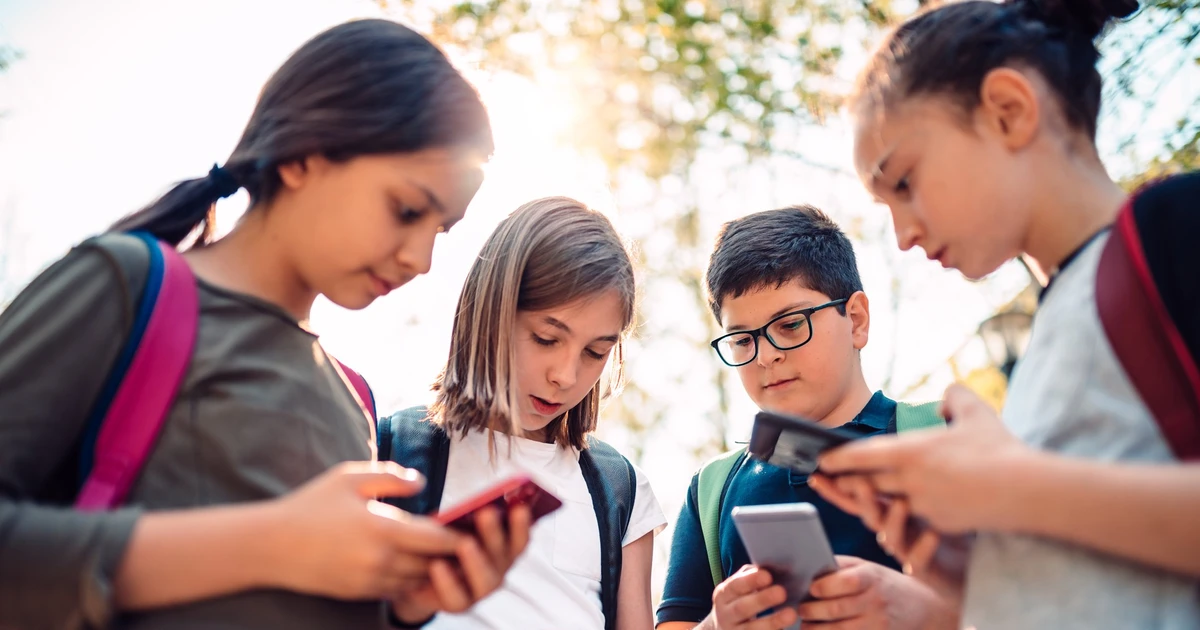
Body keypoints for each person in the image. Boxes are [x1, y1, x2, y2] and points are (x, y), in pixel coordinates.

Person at [0, 19, 531, 630]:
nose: (421, 259)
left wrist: (403, 605)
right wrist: (270, 544)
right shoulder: (126, 285)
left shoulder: (354, 398)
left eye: (441, 229)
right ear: (304, 156)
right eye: (407, 209)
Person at [809, 0, 1200, 627]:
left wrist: (1011, 488)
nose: (902, 236)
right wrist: (969, 582)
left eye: (904, 182)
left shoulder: (1174, 228)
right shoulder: (1051, 331)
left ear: (1007, 111)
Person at [655, 206, 955, 630]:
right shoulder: (710, 490)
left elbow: (1048, 599)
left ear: (856, 320)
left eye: (791, 325)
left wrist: (926, 613)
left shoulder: (945, 439)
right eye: (742, 340)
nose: (766, 355)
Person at [378, 196, 667, 630]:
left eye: (595, 351)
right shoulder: (390, 451)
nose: (566, 376)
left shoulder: (620, 489)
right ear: (492, 311)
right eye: (547, 338)